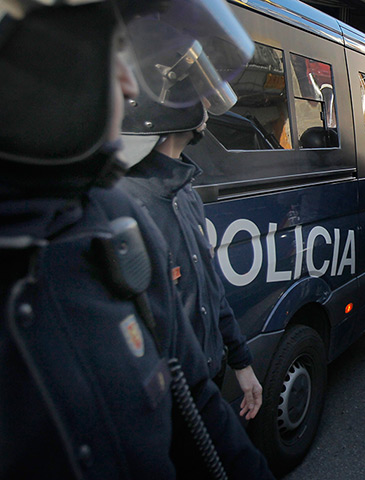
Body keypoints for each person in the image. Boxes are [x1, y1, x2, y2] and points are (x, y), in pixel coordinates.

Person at [0, 1, 274, 478]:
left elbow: (198, 395)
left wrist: (240, 362)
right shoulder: (129, 201)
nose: (128, 84)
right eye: (112, 56)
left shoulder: (113, 216)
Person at [120, 91, 263, 420]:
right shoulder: (126, 205)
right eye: (198, 97)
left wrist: (240, 361)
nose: (209, 106)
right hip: (169, 401)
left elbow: (210, 288)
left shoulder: (184, 192)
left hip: (207, 378)